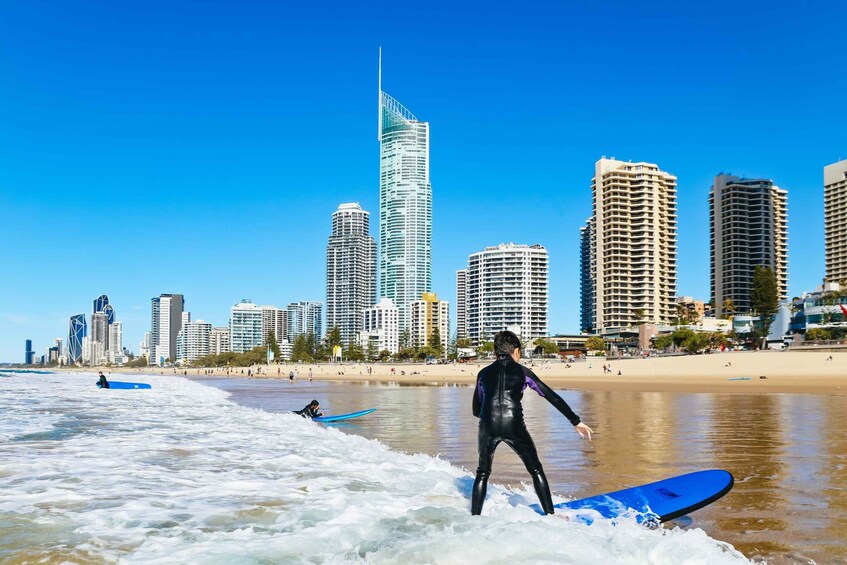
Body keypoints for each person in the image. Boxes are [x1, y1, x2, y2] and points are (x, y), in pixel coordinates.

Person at [471, 331, 593, 516]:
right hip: (514, 425)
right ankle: (550, 515)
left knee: (482, 472)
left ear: (496, 352)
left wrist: (489, 417)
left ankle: (474, 518)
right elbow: (550, 395)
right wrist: (575, 421)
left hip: (488, 425)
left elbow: (475, 409)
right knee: (535, 469)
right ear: (517, 351)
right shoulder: (522, 372)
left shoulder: (483, 373)